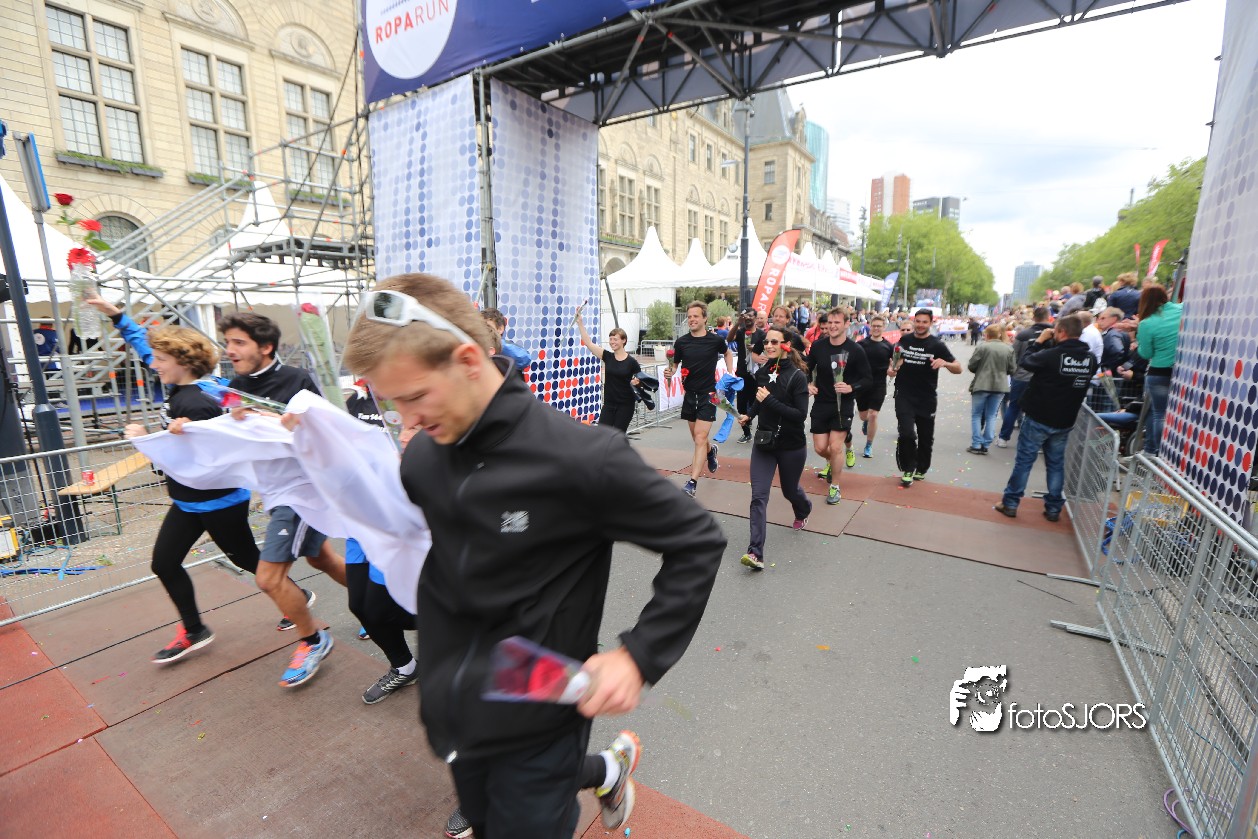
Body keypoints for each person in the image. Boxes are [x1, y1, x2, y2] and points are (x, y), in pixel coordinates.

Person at [342, 273, 725, 839]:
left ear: (468, 361)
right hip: (456, 710)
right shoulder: (423, 458)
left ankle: (600, 770)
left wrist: (638, 655)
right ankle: (607, 771)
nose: (408, 421)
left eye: (415, 397)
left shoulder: (581, 458)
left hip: (544, 715)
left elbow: (696, 540)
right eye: (393, 402)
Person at [84, 297, 261, 664]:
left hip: (218, 502)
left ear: (182, 363)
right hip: (188, 502)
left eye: (161, 360)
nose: (154, 364)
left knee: (249, 560)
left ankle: (296, 602)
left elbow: (209, 459)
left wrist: (146, 439)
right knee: (164, 563)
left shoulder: (196, 403)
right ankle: (195, 630)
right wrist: (117, 316)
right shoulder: (182, 385)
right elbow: (146, 348)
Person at [219, 312, 345, 687]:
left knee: (268, 578)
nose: (229, 350)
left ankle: (313, 640)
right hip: (274, 491)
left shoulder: (296, 380)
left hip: (301, 492)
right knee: (321, 558)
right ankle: (376, 606)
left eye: (238, 342)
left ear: (266, 347)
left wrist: (291, 424)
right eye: (227, 343)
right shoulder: (235, 385)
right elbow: (232, 434)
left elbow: (328, 431)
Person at [995, 314, 1097, 521]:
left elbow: (1025, 362)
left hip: (1039, 416)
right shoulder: (1090, 359)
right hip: (1065, 419)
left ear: (1061, 332)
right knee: (1056, 464)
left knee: (1024, 462)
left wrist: (1039, 341)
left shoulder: (1052, 355)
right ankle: (1053, 508)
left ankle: (1011, 503)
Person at [735, 326, 812, 570]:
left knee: (790, 490)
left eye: (774, 342)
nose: (768, 346)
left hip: (791, 445)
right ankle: (755, 552)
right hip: (764, 444)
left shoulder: (797, 376)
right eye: (767, 342)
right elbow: (760, 401)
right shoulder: (763, 372)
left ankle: (803, 508)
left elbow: (799, 415)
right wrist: (749, 415)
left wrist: (769, 400)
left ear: (786, 345)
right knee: (758, 496)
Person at [667, 300, 735, 497]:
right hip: (690, 395)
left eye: (696, 316)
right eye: (689, 317)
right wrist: (670, 371)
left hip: (709, 395)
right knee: (698, 438)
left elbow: (728, 353)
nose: (692, 319)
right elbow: (674, 365)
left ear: (705, 318)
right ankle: (710, 452)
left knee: (699, 437)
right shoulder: (681, 342)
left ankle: (692, 482)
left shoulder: (715, 340)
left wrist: (729, 373)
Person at [888, 309, 962, 488]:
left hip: (926, 397)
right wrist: (892, 369)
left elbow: (958, 368)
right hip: (904, 394)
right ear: (914, 321)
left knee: (925, 437)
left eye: (924, 322)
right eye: (918, 321)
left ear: (931, 323)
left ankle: (921, 467)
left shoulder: (937, 345)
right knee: (906, 433)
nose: (920, 325)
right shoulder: (905, 340)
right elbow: (894, 362)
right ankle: (908, 468)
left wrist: (945, 363)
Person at [805, 308, 871, 504]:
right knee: (820, 448)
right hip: (821, 402)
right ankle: (835, 460)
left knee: (835, 447)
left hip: (844, 404)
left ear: (846, 324)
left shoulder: (855, 350)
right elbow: (807, 368)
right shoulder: (818, 346)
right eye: (830, 322)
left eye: (837, 323)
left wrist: (851, 387)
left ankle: (835, 486)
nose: (832, 326)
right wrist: (808, 384)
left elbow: (867, 379)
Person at [1133, 284, 1182, 456]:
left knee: (1159, 413)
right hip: (1184, 371)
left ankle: (1157, 452)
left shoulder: (1146, 323)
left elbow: (1146, 353)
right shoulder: (1183, 309)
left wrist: (1137, 340)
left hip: (1160, 372)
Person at [995, 306, 1053, 449]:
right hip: (1045, 378)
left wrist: (1013, 372)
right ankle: (1038, 443)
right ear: (1048, 316)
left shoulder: (1024, 334)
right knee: (1040, 410)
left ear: (1034, 318)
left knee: (1014, 407)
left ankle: (1003, 438)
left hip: (1022, 376)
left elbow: (1013, 355)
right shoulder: (1055, 334)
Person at [575, 312, 641, 432]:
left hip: (625, 406)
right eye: (610, 339)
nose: (612, 342)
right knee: (603, 434)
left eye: (615, 339)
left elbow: (642, 381)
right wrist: (580, 322)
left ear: (624, 340)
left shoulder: (632, 362)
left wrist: (637, 382)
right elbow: (588, 343)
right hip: (609, 404)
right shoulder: (607, 356)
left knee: (617, 436)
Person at [966, 324, 1016, 455]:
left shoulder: (982, 347)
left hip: (982, 383)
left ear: (987, 334)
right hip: (1000, 385)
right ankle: (986, 443)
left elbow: (972, 365)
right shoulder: (1008, 349)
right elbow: (1012, 369)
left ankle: (976, 443)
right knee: (991, 415)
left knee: (977, 415)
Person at [856, 315, 893, 459]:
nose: (876, 328)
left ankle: (868, 445)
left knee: (873, 414)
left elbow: (893, 364)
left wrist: (892, 370)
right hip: (863, 384)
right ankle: (865, 422)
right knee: (864, 416)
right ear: (870, 327)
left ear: (884, 328)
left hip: (879, 384)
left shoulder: (889, 346)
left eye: (879, 326)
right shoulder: (861, 344)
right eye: (874, 326)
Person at [730, 308, 764, 443]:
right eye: (746, 316)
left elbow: (767, 352)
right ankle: (746, 433)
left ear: (755, 318)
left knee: (757, 403)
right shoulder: (740, 332)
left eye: (750, 316)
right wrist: (738, 323)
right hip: (742, 374)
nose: (748, 318)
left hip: (757, 375)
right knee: (741, 406)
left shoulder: (761, 334)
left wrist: (755, 349)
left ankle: (760, 430)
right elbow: (729, 339)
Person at [480, 308, 532, 375]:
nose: (483, 331)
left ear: (500, 329)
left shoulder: (506, 347)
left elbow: (525, 359)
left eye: (488, 327)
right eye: (480, 327)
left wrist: (497, 345)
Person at [1096, 307, 1130, 374]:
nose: (1098, 321)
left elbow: (1118, 352)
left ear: (1114, 319)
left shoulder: (1112, 334)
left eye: (1103, 318)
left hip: (1112, 375)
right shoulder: (1122, 333)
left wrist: (1107, 369)